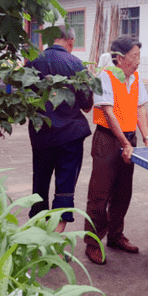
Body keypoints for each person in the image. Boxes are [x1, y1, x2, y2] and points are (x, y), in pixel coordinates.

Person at [84, 35, 148, 265]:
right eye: (134, 57)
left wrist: (147, 138)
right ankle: (93, 242)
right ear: (119, 58)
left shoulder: (135, 77)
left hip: (129, 139)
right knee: (100, 193)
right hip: (107, 140)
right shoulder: (105, 76)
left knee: (123, 192)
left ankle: (116, 236)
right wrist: (125, 143)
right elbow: (108, 113)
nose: (138, 61)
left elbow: (140, 108)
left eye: (139, 56)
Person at [26, 25, 93, 233]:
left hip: (41, 134)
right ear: (70, 42)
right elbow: (87, 104)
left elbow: (23, 99)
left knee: (40, 181)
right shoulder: (76, 64)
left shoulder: (33, 63)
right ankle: (54, 240)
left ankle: (38, 233)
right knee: (65, 186)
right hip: (69, 136)